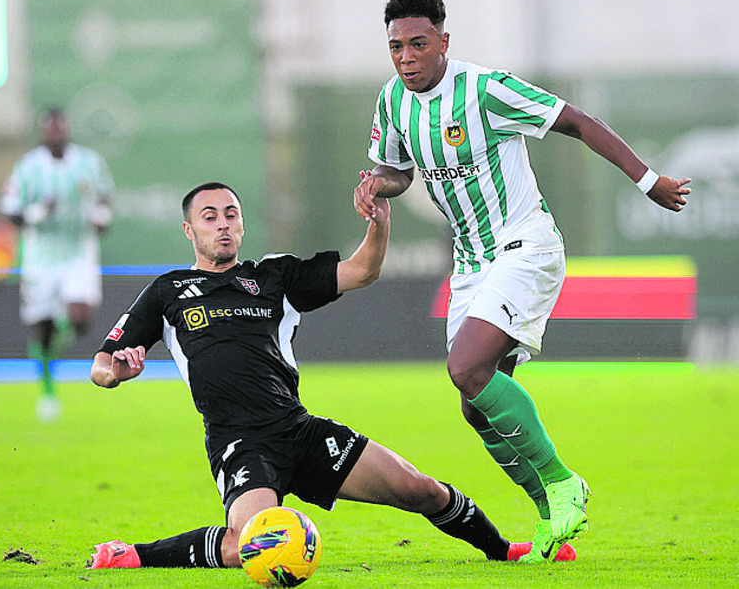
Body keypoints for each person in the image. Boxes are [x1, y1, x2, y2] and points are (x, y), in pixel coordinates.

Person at [354, 0, 693, 562]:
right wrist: (375, 185)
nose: (406, 56)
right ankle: (551, 515)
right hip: (470, 261)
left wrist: (648, 179)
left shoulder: (485, 89)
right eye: (395, 47)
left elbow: (580, 122)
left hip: (524, 245)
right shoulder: (393, 102)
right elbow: (397, 169)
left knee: (466, 367)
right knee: (473, 403)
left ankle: (563, 482)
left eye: (417, 44)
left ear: (443, 41)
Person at [86, 181, 573, 572]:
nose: (223, 225)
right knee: (246, 545)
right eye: (210, 217)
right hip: (241, 443)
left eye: (231, 214)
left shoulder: (274, 276)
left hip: (299, 430)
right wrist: (118, 373)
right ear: (189, 230)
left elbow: (361, 271)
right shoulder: (169, 291)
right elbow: (101, 366)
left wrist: (378, 224)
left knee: (422, 490)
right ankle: (133, 555)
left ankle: (504, 550)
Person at [0, 107, 114, 422]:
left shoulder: (89, 162)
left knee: (80, 317)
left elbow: (104, 196)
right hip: (41, 259)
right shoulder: (28, 167)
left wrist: (102, 216)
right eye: (50, 129)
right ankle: (48, 392)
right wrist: (37, 214)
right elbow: (10, 210)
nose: (56, 134)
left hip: (79, 252)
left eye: (60, 128)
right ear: (42, 132)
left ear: (68, 129)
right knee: (43, 332)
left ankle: (65, 324)